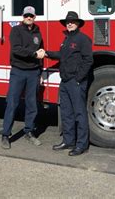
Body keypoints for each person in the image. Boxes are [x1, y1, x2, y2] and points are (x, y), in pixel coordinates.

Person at [45, 11, 93, 156]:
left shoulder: (83, 39)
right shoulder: (66, 39)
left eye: (72, 21)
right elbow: (62, 55)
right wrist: (47, 53)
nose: (70, 23)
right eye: (67, 22)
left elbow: (88, 60)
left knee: (79, 113)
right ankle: (68, 141)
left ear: (78, 23)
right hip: (65, 82)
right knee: (66, 113)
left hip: (75, 82)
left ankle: (81, 145)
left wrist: (79, 78)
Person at [0, 6, 45, 149]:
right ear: (22, 16)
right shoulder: (16, 31)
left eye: (31, 15)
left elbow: (41, 54)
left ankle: (29, 132)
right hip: (18, 71)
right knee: (12, 103)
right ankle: (5, 135)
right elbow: (17, 50)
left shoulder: (38, 32)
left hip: (33, 73)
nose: (29, 18)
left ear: (34, 17)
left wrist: (41, 72)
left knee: (32, 105)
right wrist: (33, 55)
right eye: (26, 15)